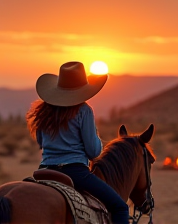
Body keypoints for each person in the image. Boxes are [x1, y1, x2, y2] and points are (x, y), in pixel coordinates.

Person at [26, 61, 129, 224]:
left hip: (45, 170)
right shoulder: (84, 110)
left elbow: (40, 141)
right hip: (75, 172)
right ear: (82, 90)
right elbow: (93, 151)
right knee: (120, 208)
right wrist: (95, 135)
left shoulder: (44, 111)